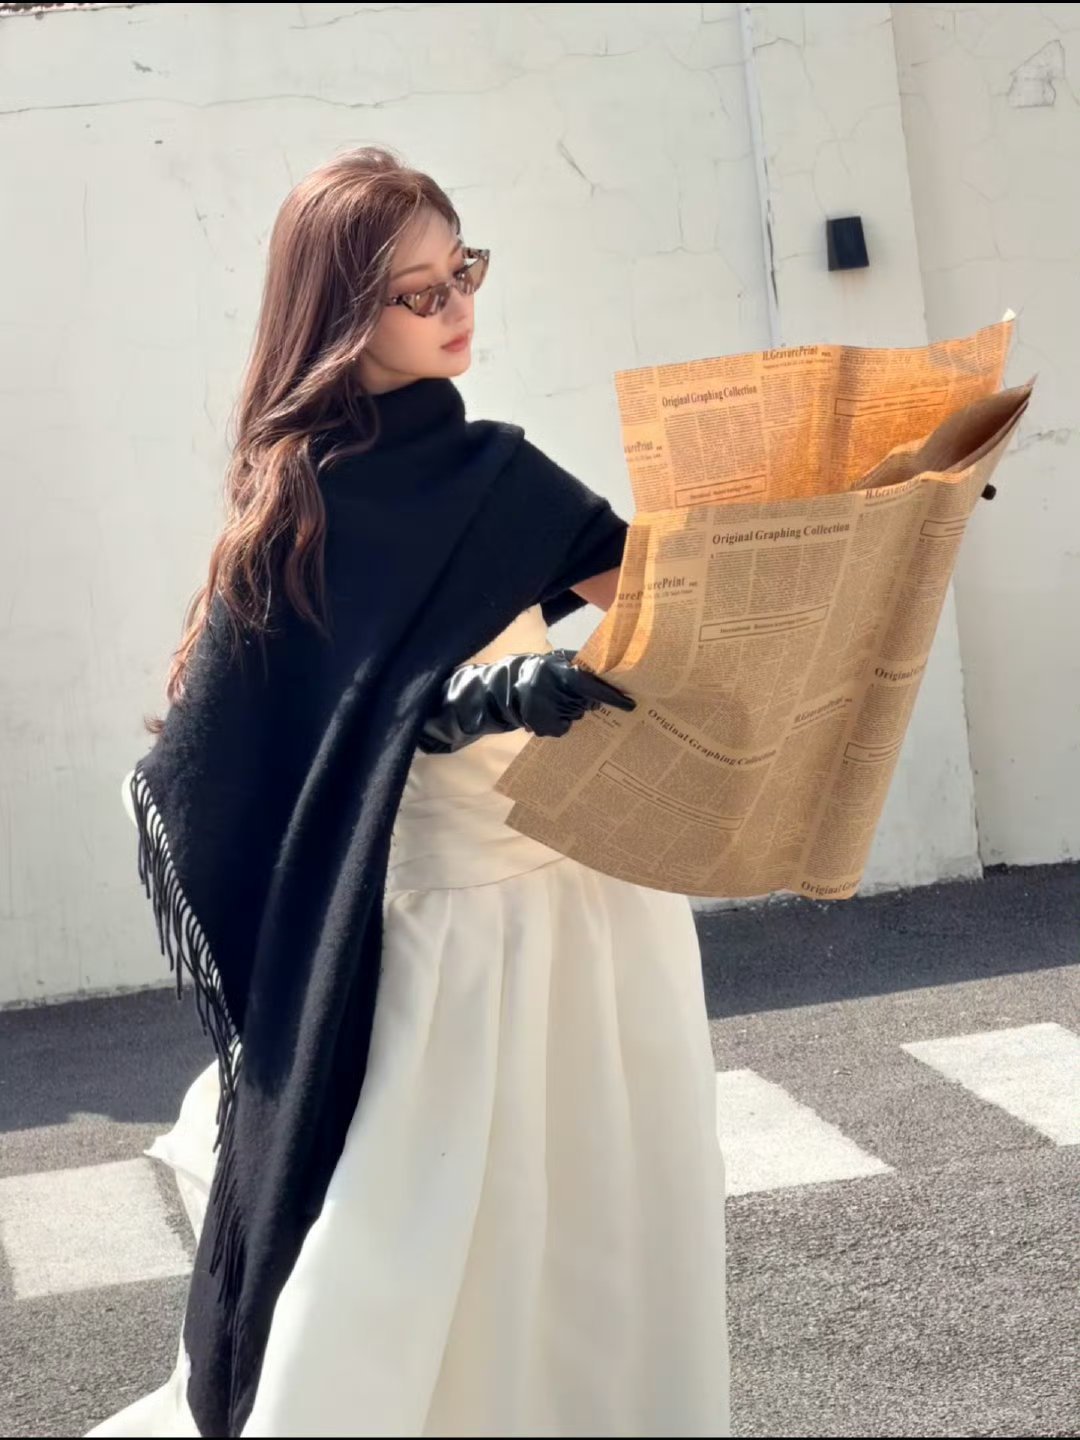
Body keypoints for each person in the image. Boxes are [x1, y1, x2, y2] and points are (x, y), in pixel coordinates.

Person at [89, 147, 729, 1439]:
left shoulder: (503, 474)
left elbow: (666, 600)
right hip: (444, 928)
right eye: (419, 292)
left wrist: (862, 525)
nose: (457, 309)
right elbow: (312, 726)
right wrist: (484, 699)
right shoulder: (300, 505)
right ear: (342, 315)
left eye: (464, 273)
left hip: (585, 899)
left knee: (599, 1225)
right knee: (400, 1241)